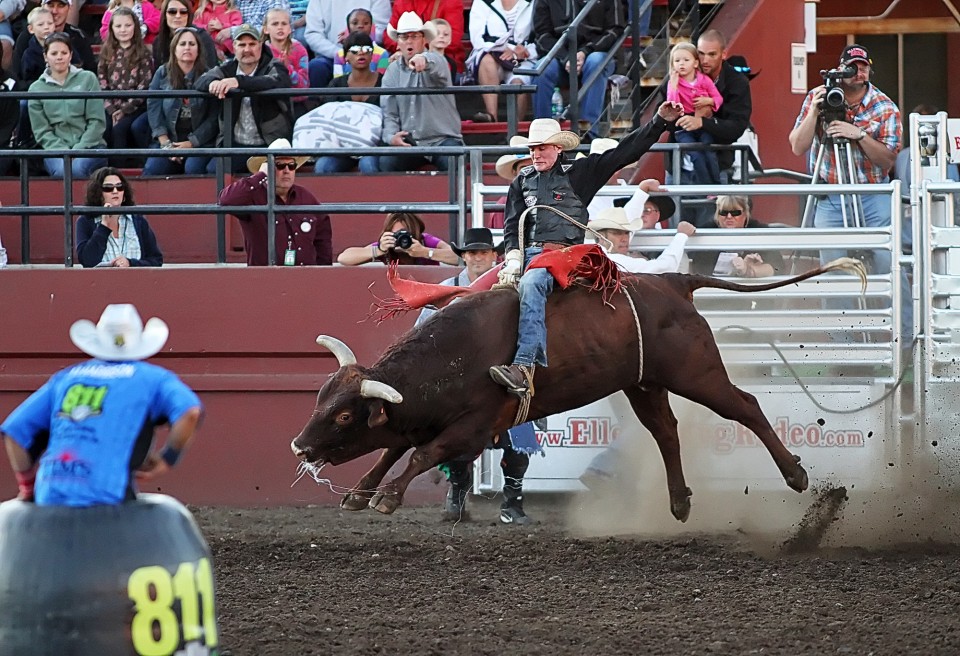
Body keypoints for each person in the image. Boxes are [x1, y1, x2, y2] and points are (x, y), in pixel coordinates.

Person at [488, 102, 683, 397]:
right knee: (478, 293)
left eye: (542, 148)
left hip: (564, 255)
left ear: (557, 148)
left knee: (531, 284)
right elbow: (512, 224)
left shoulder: (582, 172)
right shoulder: (521, 182)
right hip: (526, 256)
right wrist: (513, 256)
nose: (536, 154)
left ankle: (524, 367)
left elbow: (625, 152)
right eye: (532, 149)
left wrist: (659, 122)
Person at [0, 303, 203, 507]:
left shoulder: (65, 378)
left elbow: (15, 431)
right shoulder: (153, 379)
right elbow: (190, 412)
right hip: (109, 495)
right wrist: (168, 458)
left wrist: (28, 487)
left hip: (50, 494)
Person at [412, 227, 536, 525]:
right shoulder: (448, 290)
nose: (477, 258)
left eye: (483, 252)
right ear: (463, 257)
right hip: (462, 384)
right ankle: (459, 496)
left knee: (518, 441)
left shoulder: (514, 288)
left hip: (505, 379)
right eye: (472, 253)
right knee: (457, 443)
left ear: (496, 256)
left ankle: (512, 502)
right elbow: (419, 339)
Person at [787, 43, 906, 339]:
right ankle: (844, 346)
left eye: (863, 66)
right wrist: (814, 112)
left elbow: (888, 159)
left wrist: (860, 135)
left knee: (887, 264)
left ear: (869, 70)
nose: (858, 71)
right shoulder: (817, 97)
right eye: (852, 66)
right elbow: (797, 146)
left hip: (872, 196)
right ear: (840, 70)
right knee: (835, 271)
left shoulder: (884, 107)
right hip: (830, 196)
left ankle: (903, 339)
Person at [218, 138, 332, 266]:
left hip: (305, 279)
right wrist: (260, 175)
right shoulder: (253, 197)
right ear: (268, 167)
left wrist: (323, 275)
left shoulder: (307, 198)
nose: (286, 170)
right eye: (280, 165)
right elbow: (226, 200)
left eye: (291, 165)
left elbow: (323, 242)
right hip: (266, 280)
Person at [196, 23, 292, 173]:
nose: (247, 49)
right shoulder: (227, 69)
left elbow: (280, 82)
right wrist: (214, 83)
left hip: (268, 146)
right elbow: (200, 81)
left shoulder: (274, 66)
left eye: (252, 44)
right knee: (214, 170)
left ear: (260, 46)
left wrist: (238, 81)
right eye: (242, 45)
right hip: (235, 146)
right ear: (234, 47)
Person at [378, 12, 463, 173]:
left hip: (442, 139)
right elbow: (389, 113)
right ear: (398, 43)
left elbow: (435, 63)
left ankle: (459, 198)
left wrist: (423, 60)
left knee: (452, 157)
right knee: (387, 161)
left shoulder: (438, 60)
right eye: (404, 37)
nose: (409, 41)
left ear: (424, 40)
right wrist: (391, 137)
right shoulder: (392, 72)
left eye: (414, 36)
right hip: (409, 142)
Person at [671, 29, 752, 184]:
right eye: (701, 53)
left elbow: (736, 126)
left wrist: (703, 122)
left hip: (716, 166)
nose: (705, 60)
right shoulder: (680, 75)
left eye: (712, 54)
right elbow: (662, 116)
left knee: (712, 207)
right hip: (678, 166)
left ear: (723, 54)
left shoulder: (737, 83)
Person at [531, 0, 620, 139]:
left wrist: (585, 51)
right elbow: (541, 35)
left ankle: (588, 133)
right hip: (560, 57)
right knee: (541, 69)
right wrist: (566, 57)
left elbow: (615, 30)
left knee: (596, 62)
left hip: (594, 52)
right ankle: (542, 136)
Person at [139, 25, 218, 176]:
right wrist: (165, 143)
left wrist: (190, 144)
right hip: (168, 140)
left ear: (198, 49)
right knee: (152, 169)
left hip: (199, 143)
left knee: (193, 169)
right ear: (174, 49)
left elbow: (213, 118)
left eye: (191, 44)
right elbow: (153, 107)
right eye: (182, 44)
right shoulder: (162, 73)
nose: (187, 48)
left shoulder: (210, 76)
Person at [28, 32, 107, 178]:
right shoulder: (36, 88)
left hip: (91, 146)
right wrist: (64, 151)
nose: (59, 57)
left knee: (77, 169)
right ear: (46, 57)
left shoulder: (88, 78)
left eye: (64, 52)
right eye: (54, 53)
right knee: (63, 171)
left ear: (70, 55)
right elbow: (41, 131)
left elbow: (97, 121)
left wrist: (78, 149)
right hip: (55, 150)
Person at [312, 30, 381, 175]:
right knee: (323, 166)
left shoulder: (385, 82)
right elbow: (327, 120)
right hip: (342, 149)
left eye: (366, 49)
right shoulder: (336, 84)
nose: (360, 54)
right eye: (354, 50)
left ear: (372, 55)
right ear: (346, 57)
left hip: (375, 147)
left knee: (368, 165)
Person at [98, 7, 155, 164]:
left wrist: (124, 110)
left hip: (136, 106)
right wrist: (111, 109)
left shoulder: (144, 53)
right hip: (111, 105)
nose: (123, 30)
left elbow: (145, 86)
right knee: (104, 127)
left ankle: (120, 171)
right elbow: (102, 82)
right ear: (112, 29)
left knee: (120, 129)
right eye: (118, 26)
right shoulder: (106, 52)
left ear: (135, 27)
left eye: (128, 25)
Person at [76, 167, 163, 267]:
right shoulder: (85, 221)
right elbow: (87, 261)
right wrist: (103, 227)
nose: (115, 191)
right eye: (108, 188)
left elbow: (156, 260)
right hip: (101, 281)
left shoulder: (138, 220)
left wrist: (130, 263)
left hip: (136, 280)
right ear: (98, 193)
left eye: (119, 187)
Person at [465, 0, 536, 123]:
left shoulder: (534, 2)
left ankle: (515, 129)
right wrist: (508, 49)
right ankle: (492, 119)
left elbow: (540, 36)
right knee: (487, 62)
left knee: (518, 82)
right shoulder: (482, 2)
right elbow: (477, 40)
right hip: (492, 55)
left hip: (523, 59)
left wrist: (522, 52)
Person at [667, 42, 723, 185]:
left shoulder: (704, 80)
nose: (681, 64)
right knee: (695, 155)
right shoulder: (674, 82)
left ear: (695, 63)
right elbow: (672, 106)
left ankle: (716, 185)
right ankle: (706, 187)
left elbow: (718, 98)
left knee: (709, 152)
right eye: (677, 61)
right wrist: (673, 87)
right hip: (683, 127)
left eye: (686, 60)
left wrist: (708, 100)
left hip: (703, 123)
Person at [689, 195, 783, 277]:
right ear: (717, 215)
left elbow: (776, 267)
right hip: (714, 289)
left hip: (751, 290)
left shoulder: (759, 231)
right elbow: (699, 269)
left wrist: (749, 270)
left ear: (745, 214)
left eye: (735, 213)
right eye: (724, 212)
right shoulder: (707, 232)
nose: (729, 217)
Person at [305, 0, 390, 88]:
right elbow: (313, 34)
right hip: (331, 55)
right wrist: (343, 52)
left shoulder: (382, 54)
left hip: (370, 53)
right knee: (316, 67)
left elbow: (383, 30)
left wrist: (357, 39)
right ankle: (318, 101)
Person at [588, 205, 695, 274]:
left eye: (627, 233)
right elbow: (664, 268)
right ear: (600, 236)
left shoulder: (593, 256)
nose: (624, 239)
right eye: (617, 233)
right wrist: (681, 236)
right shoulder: (614, 261)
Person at [336, 211, 458, 266]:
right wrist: (378, 250)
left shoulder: (425, 241)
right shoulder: (386, 246)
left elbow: (459, 257)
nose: (401, 240)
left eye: (405, 234)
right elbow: (343, 258)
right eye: (396, 235)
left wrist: (425, 252)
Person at [14, 0, 97, 76]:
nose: (55, 11)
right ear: (42, 6)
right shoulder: (26, 37)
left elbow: (90, 73)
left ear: (69, 8)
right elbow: (19, 78)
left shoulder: (78, 37)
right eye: (50, 5)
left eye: (61, 5)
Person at [383, 0, 464, 73]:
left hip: (442, 58)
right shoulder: (402, 2)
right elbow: (388, 38)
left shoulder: (451, 1)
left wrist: (417, 52)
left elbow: (453, 39)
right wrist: (405, 50)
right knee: (385, 63)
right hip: (404, 56)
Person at [262, 7, 308, 111]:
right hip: (268, 104)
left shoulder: (299, 49)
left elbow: (304, 87)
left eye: (284, 24)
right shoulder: (260, 51)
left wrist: (288, 69)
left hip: (295, 103)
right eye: (275, 24)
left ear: (290, 28)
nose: (280, 27)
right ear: (266, 29)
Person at [153, 0, 218, 69]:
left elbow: (211, 70)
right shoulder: (158, 42)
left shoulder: (202, 37)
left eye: (183, 12)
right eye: (172, 12)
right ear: (165, 15)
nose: (178, 16)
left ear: (189, 15)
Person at [331, 8, 390, 78]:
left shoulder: (383, 54)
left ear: (371, 26)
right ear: (348, 27)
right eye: (355, 23)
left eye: (365, 23)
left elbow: (382, 81)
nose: (360, 26)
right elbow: (338, 81)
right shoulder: (339, 55)